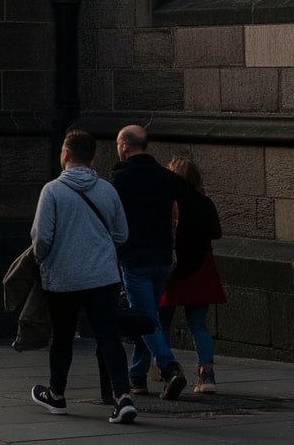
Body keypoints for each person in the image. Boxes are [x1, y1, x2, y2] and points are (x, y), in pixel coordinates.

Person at [28, 129, 138, 425]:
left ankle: (57, 395)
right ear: (92, 159)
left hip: (62, 278)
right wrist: (99, 252)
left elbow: (42, 239)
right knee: (107, 336)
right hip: (103, 277)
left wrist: (42, 260)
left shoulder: (52, 191)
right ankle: (122, 397)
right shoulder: (107, 190)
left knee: (62, 337)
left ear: (64, 154)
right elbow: (122, 233)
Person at [111, 124, 188, 399]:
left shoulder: (119, 180)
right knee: (149, 316)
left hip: (135, 258)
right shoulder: (167, 178)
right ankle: (137, 375)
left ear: (124, 146)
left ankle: (169, 369)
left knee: (145, 318)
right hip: (162, 257)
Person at [161, 156, 226, 394]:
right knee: (198, 324)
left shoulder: (170, 202)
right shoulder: (205, 203)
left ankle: (165, 369)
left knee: (162, 323)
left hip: (173, 270)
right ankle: (207, 375)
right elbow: (216, 232)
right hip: (200, 269)